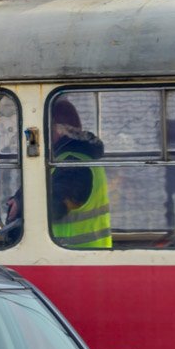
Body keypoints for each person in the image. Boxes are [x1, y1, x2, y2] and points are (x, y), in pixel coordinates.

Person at [49, 98, 112, 249]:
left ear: (58, 129)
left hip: (72, 253)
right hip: (88, 252)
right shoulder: (84, 157)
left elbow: (54, 208)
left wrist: (21, 206)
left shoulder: (71, 164)